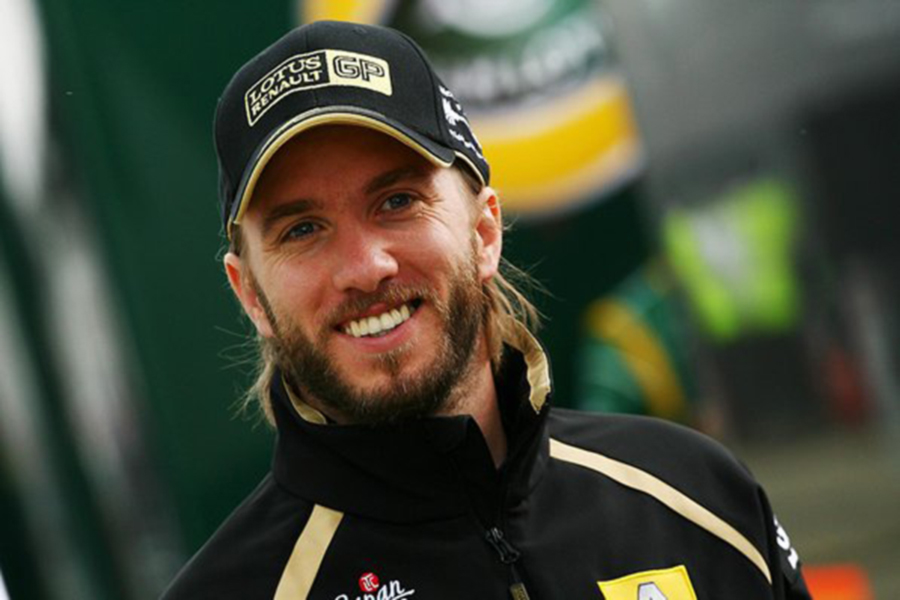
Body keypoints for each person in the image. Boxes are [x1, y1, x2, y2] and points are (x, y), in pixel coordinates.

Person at [162, 20, 811, 599]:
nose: (366, 267)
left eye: (396, 201)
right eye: (302, 229)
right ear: (250, 294)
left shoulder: (697, 499)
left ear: (484, 231)